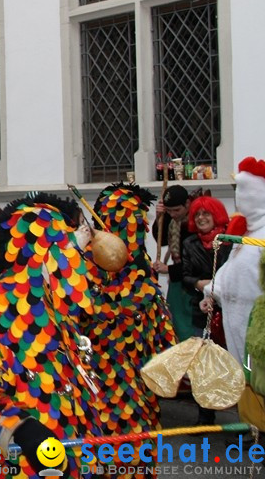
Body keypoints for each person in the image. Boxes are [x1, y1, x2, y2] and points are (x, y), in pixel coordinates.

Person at [0, 194, 101, 478]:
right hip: (27, 464)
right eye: (63, 247)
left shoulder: (57, 305)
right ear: (37, 253)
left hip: (75, 449)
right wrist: (23, 428)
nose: (74, 256)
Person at [85, 182, 176, 446]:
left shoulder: (141, 270)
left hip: (139, 386)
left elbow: (160, 326)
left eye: (136, 224)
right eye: (123, 225)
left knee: (136, 449)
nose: (131, 233)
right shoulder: (82, 271)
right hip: (97, 386)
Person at [202, 157, 265, 364]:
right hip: (235, 320)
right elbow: (231, 268)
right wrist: (213, 291)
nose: (239, 197)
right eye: (237, 190)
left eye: (245, 191)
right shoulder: (247, 230)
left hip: (259, 325)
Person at [182, 195, 231, 425]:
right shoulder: (190, 244)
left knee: (235, 363)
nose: (201, 218)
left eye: (206, 213)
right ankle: (205, 416)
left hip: (230, 311)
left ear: (217, 215)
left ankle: (245, 418)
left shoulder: (231, 241)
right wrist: (200, 285)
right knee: (202, 366)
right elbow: (185, 275)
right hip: (202, 312)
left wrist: (217, 290)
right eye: (197, 214)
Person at [153, 184, 198, 340]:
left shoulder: (195, 223)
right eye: (169, 211)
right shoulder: (173, 220)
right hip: (177, 281)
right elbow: (162, 239)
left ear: (187, 204)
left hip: (192, 285)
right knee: (176, 324)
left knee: (189, 329)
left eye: (176, 210)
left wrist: (169, 269)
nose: (172, 215)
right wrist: (159, 218)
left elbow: (195, 264)